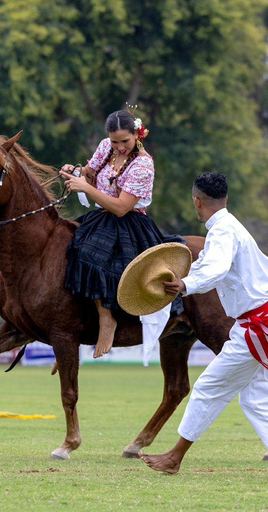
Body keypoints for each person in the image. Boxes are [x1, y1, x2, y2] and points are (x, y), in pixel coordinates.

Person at [140, 172, 268, 478]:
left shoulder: (223, 231)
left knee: (208, 388)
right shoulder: (229, 226)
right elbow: (214, 265)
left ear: (197, 201)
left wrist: (185, 284)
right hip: (263, 320)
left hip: (258, 325)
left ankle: (174, 458)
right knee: (257, 398)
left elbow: (216, 267)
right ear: (226, 199)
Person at [60, 108, 165, 358]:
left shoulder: (143, 164)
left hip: (129, 223)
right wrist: (76, 172)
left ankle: (107, 320)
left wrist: (84, 186)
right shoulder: (105, 146)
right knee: (66, 247)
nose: (119, 147)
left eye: (125, 141)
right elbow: (90, 173)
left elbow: (120, 207)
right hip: (101, 217)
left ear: (137, 134)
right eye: (115, 141)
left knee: (91, 255)